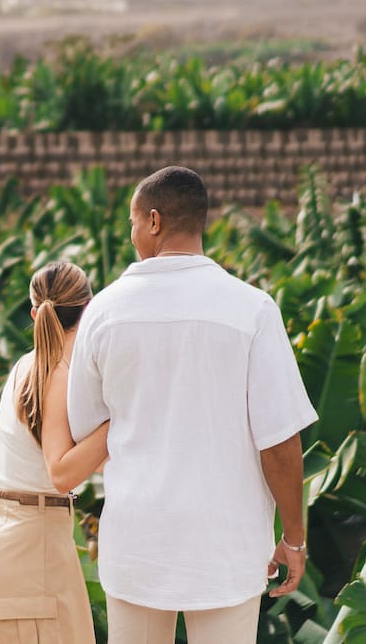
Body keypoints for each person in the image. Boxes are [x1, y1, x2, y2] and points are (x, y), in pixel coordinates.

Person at [66, 167, 318, 644]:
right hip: (226, 547)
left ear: (155, 221)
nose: (132, 233)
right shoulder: (253, 308)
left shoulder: (103, 311)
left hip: (137, 543)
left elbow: (87, 430)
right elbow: (280, 443)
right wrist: (294, 539)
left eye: (133, 222)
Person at [0, 261, 111, 644]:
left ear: (34, 312)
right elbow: (62, 473)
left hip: (4, 532)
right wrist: (117, 423)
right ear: (87, 311)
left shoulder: (28, 367)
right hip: (33, 546)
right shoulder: (57, 375)